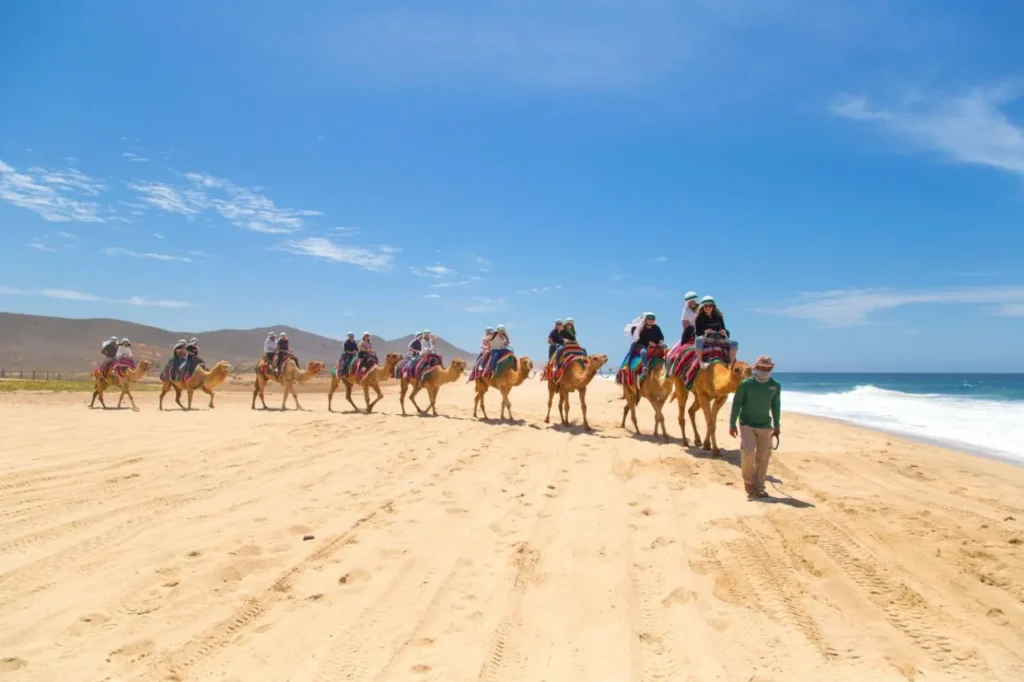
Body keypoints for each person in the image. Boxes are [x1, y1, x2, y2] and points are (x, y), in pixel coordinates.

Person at [729, 356, 781, 498]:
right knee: (748, 452)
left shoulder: (775, 385)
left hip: (765, 425)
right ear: (756, 368)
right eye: (762, 368)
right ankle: (748, 481)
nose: (765, 370)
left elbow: (776, 406)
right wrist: (732, 423)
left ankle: (760, 486)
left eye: (768, 368)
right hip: (747, 423)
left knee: (763, 457)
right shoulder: (746, 384)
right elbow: (737, 403)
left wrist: (777, 425)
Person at [694, 296, 738, 367]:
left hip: (718, 339)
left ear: (713, 307)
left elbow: (724, 329)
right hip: (706, 339)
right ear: (702, 307)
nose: (708, 307)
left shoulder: (719, 317)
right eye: (706, 306)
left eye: (710, 305)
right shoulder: (699, 318)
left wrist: (724, 333)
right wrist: (706, 332)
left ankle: (730, 364)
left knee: (734, 343)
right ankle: (701, 362)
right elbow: (697, 333)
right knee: (698, 340)